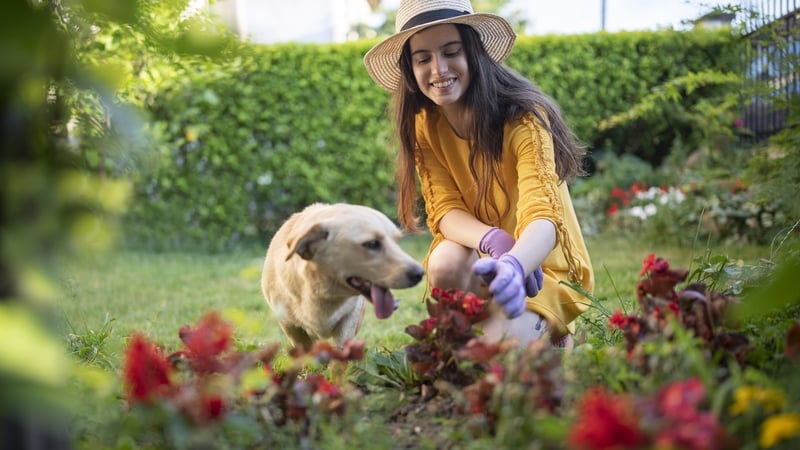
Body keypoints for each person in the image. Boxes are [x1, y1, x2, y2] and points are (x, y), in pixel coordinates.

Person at [363, 0, 594, 348]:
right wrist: (493, 241)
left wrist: (515, 264)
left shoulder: (524, 118)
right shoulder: (425, 124)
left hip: (537, 267)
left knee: (492, 354)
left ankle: (550, 332)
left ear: (473, 52)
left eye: (450, 52)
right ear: (411, 68)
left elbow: (543, 216)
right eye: (423, 58)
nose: (438, 69)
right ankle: (486, 330)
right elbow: (444, 210)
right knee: (444, 263)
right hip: (484, 254)